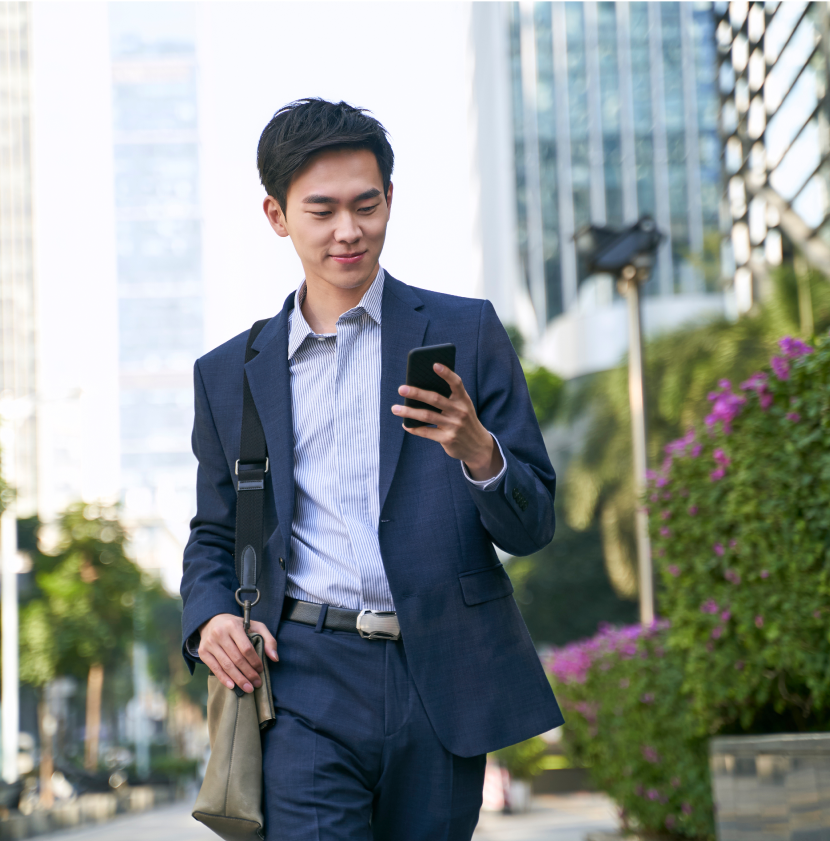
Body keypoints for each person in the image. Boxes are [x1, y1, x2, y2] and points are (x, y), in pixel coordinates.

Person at [181, 98, 561, 841]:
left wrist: (480, 453)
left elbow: (534, 521)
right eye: (321, 210)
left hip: (441, 671)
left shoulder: (465, 332)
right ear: (277, 215)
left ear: (391, 198)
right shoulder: (229, 373)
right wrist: (210, 614)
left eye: (366, 204)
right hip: (303, 676)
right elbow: (213, 532)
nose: (348, 230)